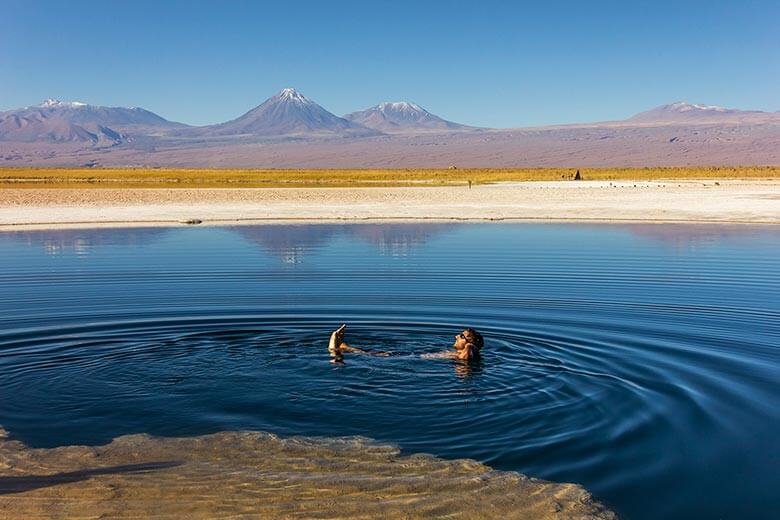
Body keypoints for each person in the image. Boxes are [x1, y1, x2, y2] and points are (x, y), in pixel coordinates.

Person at [328, 324, 483, 361]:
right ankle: (342, 348)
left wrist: (470, 345)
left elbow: (470, 352)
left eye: (462, 336)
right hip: (414, 356)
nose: (456, 336)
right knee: (381, 354)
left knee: (382, 356)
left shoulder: (468, 350)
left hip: (413, 358)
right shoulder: (459, 353)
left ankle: (340, 349)